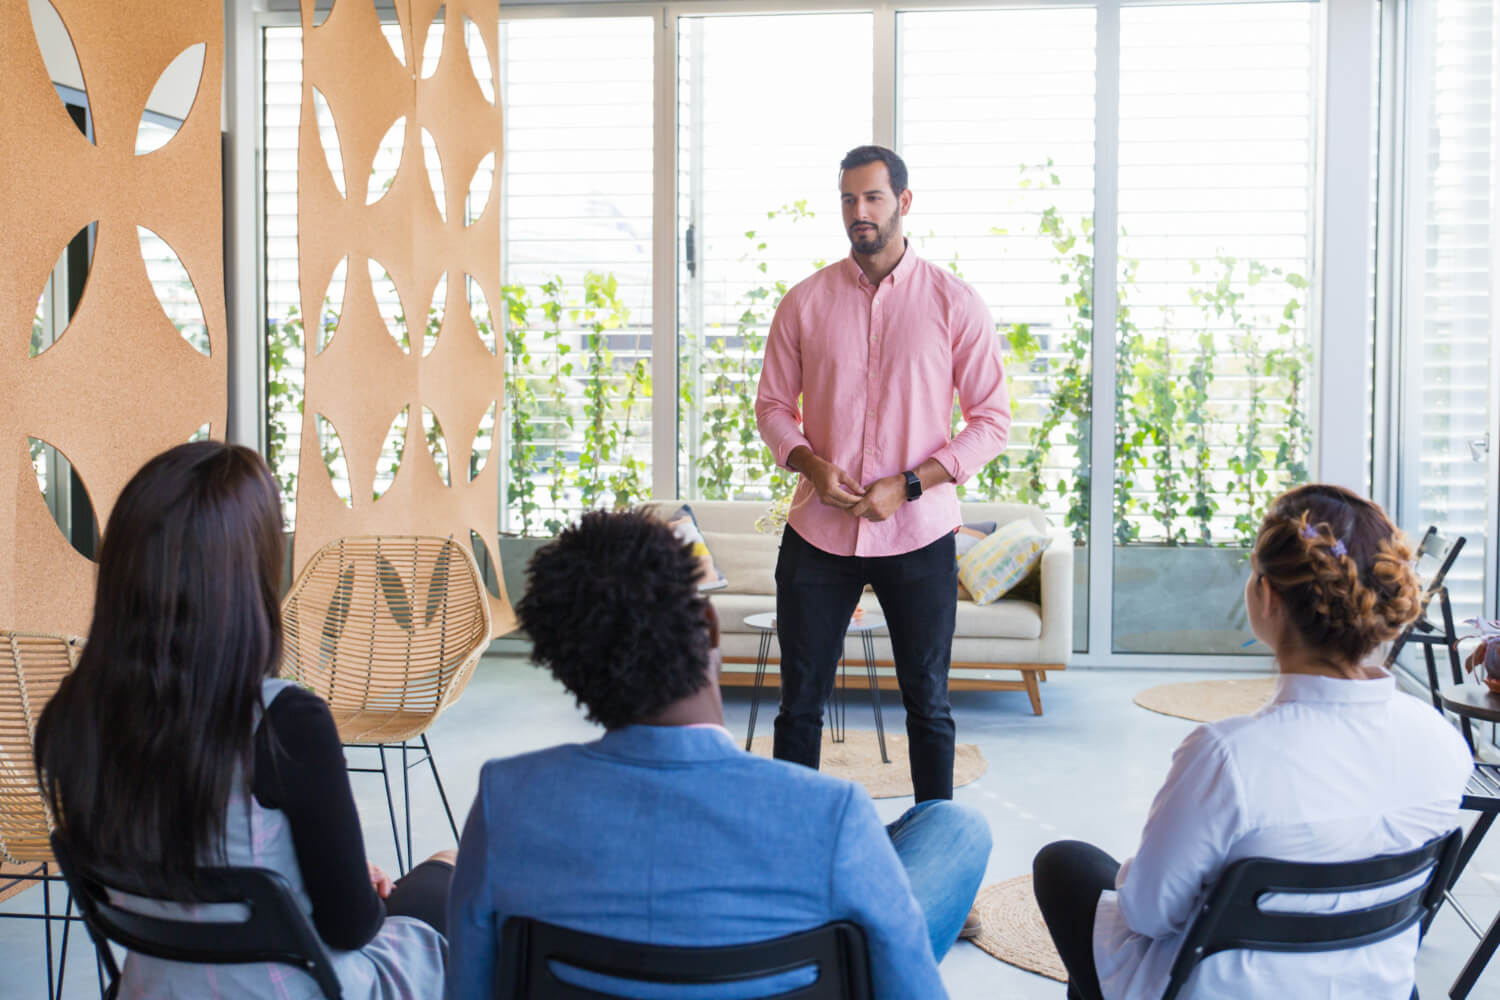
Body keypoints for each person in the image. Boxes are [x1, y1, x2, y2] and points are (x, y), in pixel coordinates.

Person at [446, 510, 992, 1000]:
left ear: (564, 667)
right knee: (952, 825)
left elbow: (472, 988)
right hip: (826, 874)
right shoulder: (829, 810)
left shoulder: (507, 801)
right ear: (710, 627)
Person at [34, 442, 452, 999]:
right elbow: (350, 927)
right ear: (247, 575)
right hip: (297, 989)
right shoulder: (286, 723)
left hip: (153, 991)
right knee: (452, 868)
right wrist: (354, 887)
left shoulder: (70, 715)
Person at [1031, 484, 1473, 1000]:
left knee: (1066, 864)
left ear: (1266, 594)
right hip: (1375, 988)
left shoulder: (1228, 755)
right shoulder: (1442, 743)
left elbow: (1147, 914)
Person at [754, 144, 1011, 805]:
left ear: (903, 202)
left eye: (871, 197)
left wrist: (912, 482)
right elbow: (774, 407)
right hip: (818, 533)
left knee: (928, 703)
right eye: (848, 199)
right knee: (799, 705)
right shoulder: (804, 303)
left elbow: (991, 422)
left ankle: (937, 845)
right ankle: (797, 857)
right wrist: (809, 462)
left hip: (920, 534)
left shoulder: (955, 303)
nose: (858, 212)